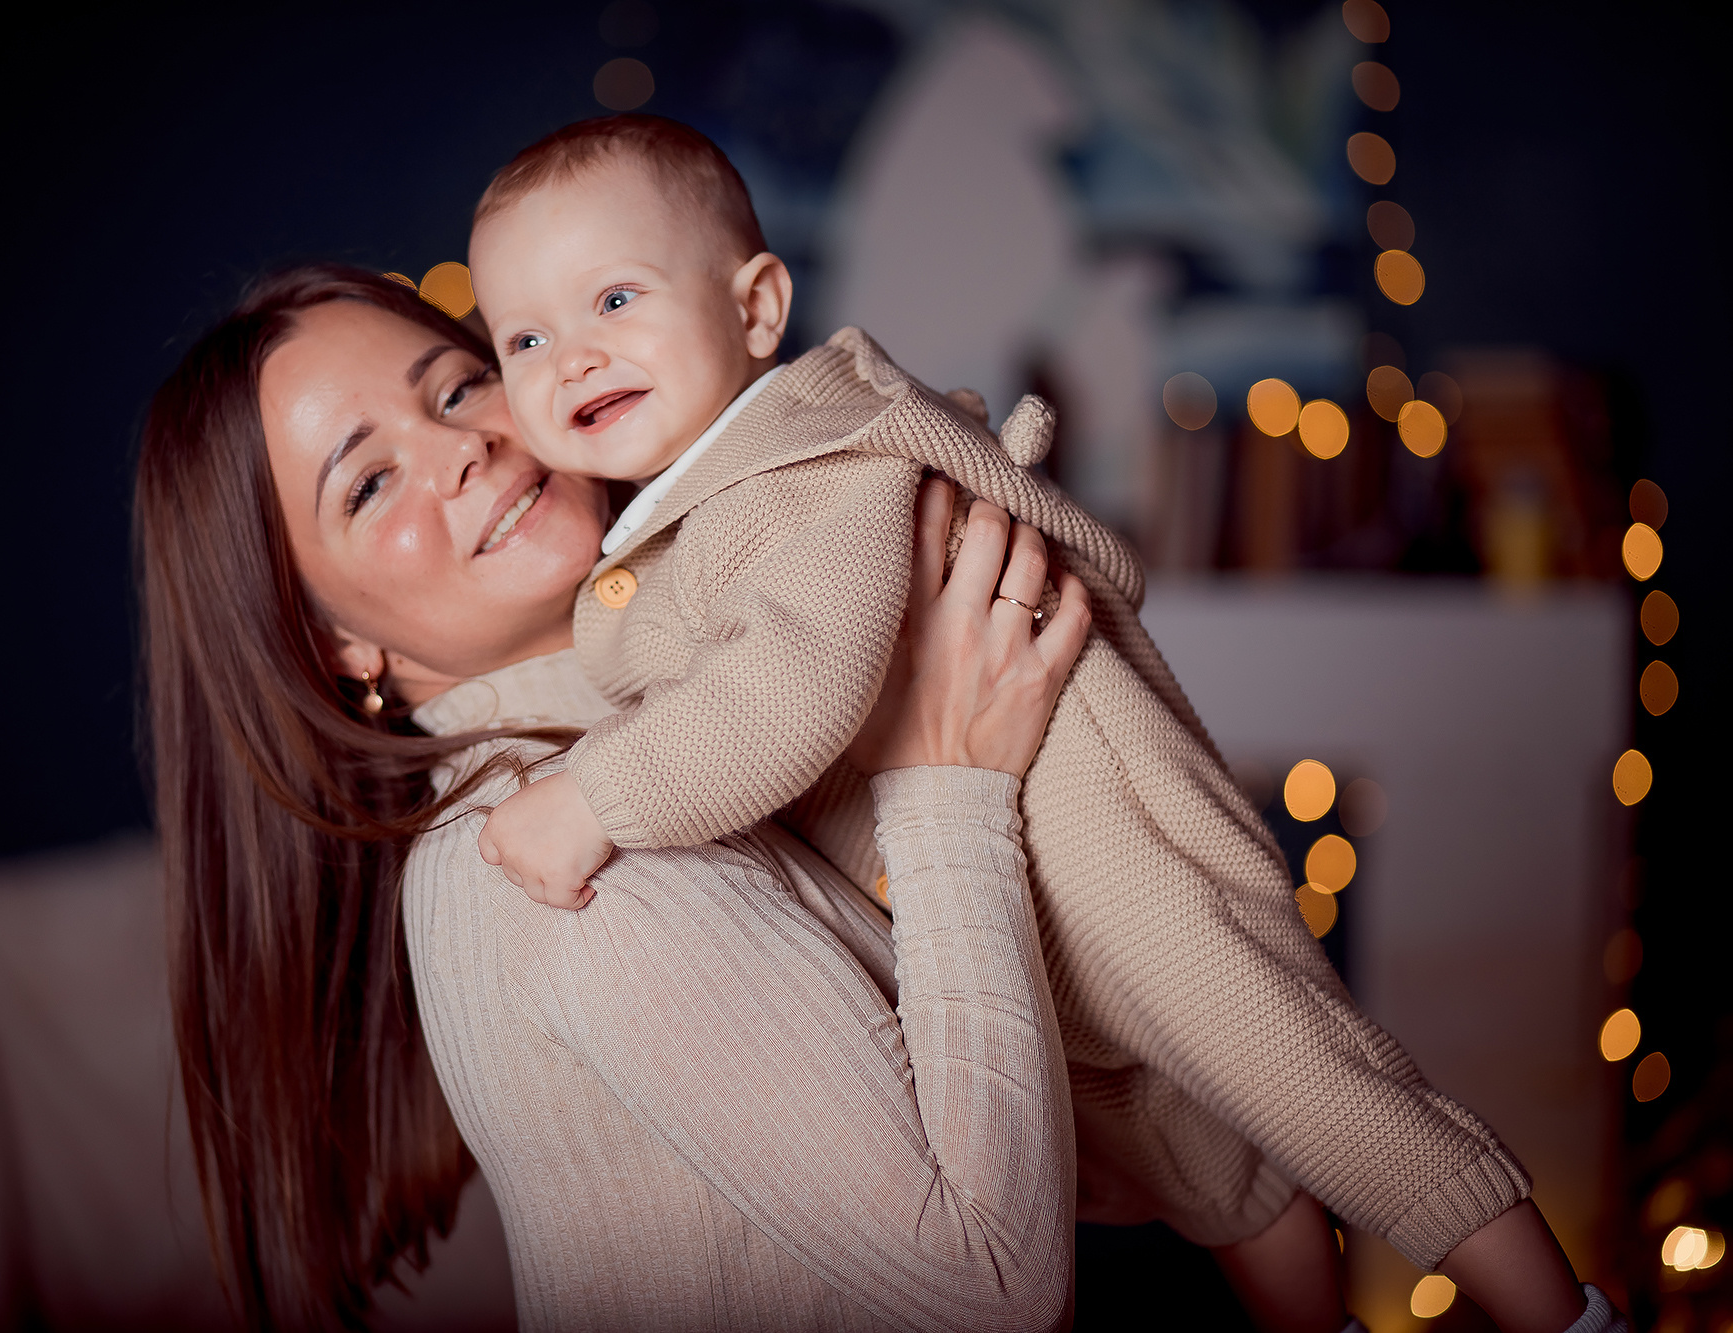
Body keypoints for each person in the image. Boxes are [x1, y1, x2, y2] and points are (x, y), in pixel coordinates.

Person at [459, 115, 1615, 1333]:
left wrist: (594, 799)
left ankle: (1568, 1315)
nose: (571, 359)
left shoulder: (813, 470)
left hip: (1115, 852)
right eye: (524, 336)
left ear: (754, 310)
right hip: (1019, 895)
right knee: (1204, 1158)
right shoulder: (701, 509)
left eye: (614, 301)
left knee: (1309, 1080)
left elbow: (788, 691)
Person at [137, 264, 1091, 1331]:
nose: (461, 448)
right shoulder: (551, 857)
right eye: (367, 484)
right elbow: (995, 1285)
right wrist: (949, 786)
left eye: (455, 388)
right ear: (332, 641)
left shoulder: (683, 739)